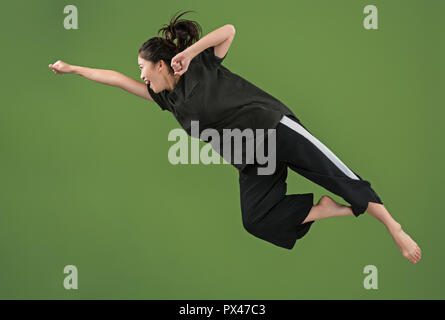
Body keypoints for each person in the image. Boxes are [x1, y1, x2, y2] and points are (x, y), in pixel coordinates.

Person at [49, 10, 421, 264]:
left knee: (338, 173)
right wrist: (73, 69)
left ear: (162, 64)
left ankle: (393, 227)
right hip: (252, 157)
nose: (142, 76)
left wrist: (192, 52)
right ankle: (324, 210)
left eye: (144, 69)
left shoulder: (202, 65)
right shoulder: (167, 100)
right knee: (257, 218)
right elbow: (115, 78)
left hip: (274, 127)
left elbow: (229, 31)